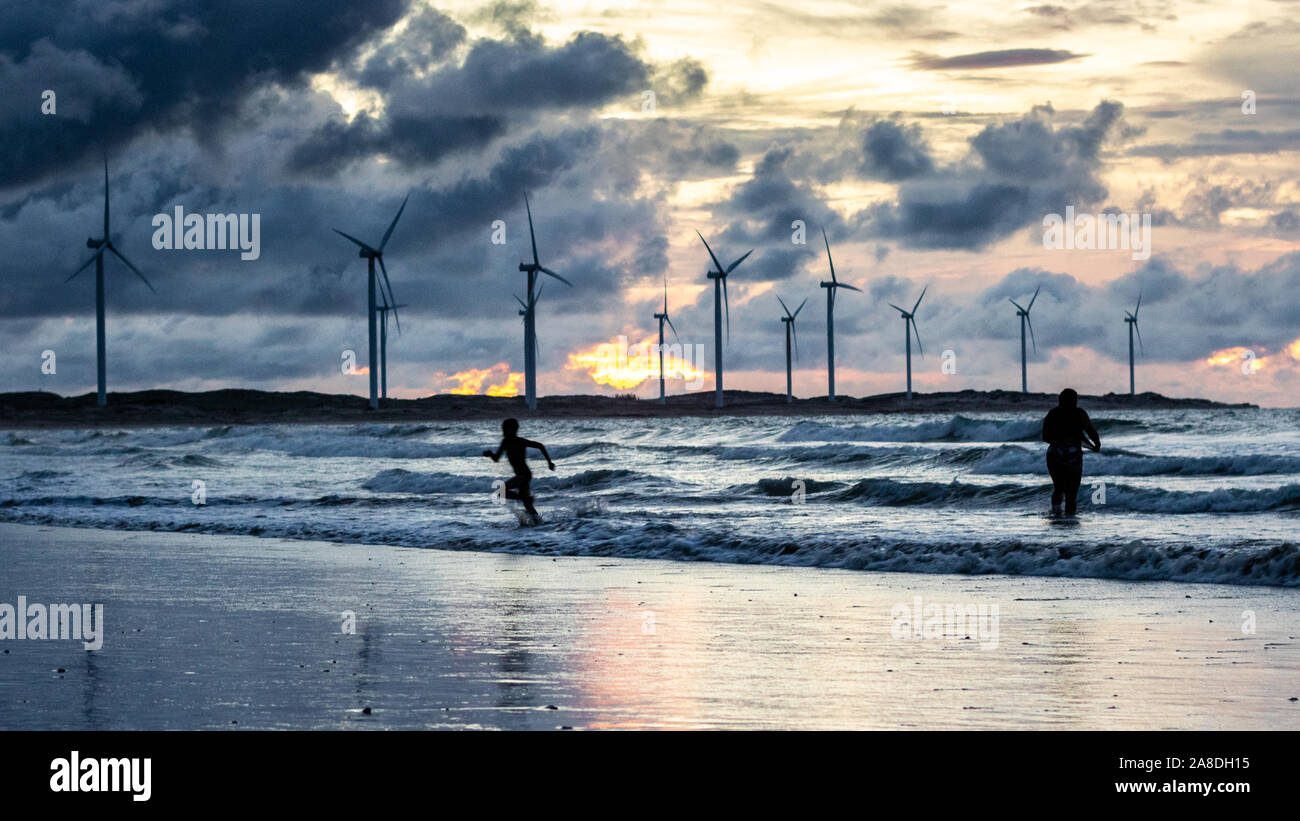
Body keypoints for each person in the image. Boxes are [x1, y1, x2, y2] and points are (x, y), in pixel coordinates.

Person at [1041, 388, 1100, 516]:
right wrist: (1097, 444)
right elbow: (1090, 430)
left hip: (1054, 453)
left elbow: (1045, 437)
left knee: (1058, 487)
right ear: (1075, 400)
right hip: (1073, 454)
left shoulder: (1053, 413)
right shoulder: (1079, 413)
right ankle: (1070, 518)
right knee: (1071, 492)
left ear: (1060, 400)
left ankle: (1056, 513)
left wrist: (1059, 440)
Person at [484, 418, 555, 523]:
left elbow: (540, 446)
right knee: (528, 505)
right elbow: (496, 459)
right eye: (504, 429)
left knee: (501, 491)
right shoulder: (505, 442)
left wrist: (549, 462)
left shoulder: (520, 441)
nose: (504, 431)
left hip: (524, 475)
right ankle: (539, 523)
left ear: (513, 429)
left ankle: (523, 498)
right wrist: (491, 455)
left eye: (506, 428)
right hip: (521, 475)